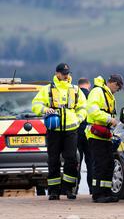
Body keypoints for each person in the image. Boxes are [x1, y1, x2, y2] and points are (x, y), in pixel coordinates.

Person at [32, 63, 87, 200]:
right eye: (63, 73)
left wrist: (78, 119)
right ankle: (54, 191)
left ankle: (68, 189)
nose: (66, 75)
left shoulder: (75, 89)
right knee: (53, 160)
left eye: (67, 73)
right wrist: (45, 110)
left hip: (71, 130)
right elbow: (35, 104)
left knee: (71, 160)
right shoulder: (47, 89)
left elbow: (83, 108)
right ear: (57, 73)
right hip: (54, 130)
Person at [86, 74, 124, 203]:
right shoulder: (97, 92)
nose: (118, 90)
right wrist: (110, 119)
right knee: (100, 165)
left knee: (108, 164)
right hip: (96, 134)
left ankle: (106, 192)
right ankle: (97, 194)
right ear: (112, 82)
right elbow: (93, 111)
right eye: (118, 87)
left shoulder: (108, 94)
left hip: (105, 134)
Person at [76, 78, 93, 194]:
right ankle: (92, 189)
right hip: (90, 133)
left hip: (76, 133)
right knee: (91, 162)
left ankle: (74, 189)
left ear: (78, 86)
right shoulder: (92, 96)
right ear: (89, 85)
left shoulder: (75, 95)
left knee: (76, 162)